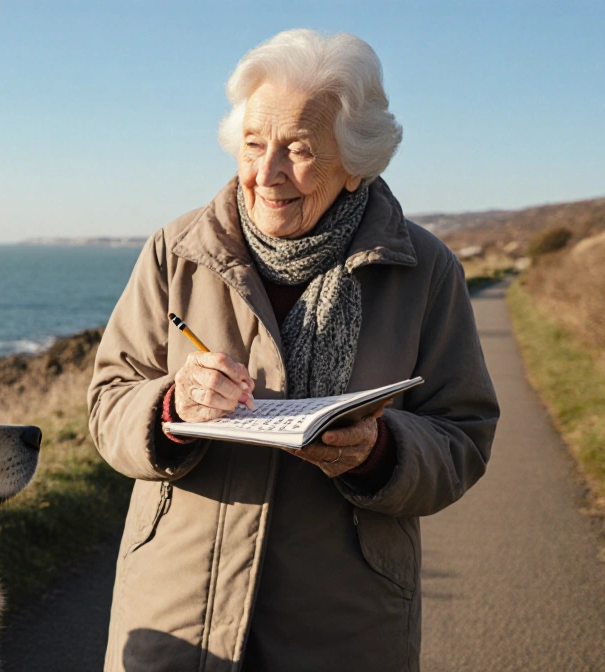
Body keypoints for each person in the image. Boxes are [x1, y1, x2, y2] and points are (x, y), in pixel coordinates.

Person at [87, 29, 499, 672]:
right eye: (253, 145)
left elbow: (464, 437)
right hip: (176, 611)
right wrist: (171, 404)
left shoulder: (426, 270)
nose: (267, 173)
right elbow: (108, 400)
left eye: (299, 150)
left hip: (345, 625)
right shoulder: (176, 250)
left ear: (357, 161)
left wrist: (381, 453)